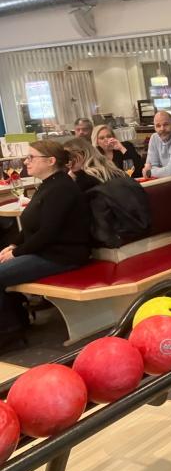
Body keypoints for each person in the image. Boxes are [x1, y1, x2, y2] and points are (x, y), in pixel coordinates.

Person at [0, 141, 90, 346]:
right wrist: (13, 246)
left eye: (31, 157)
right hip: (47, 251)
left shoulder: (62, 189)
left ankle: (8, 332)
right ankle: (16, 321)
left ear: (51, 161)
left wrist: (16, 253)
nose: (26, 162)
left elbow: (47, 233)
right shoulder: (49, 185)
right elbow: (31, 226)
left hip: (62, 256)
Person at [64, 138, 150, 248]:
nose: (67, 163)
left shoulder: (84, 178)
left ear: (80, 155)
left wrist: (70, 178)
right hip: (133, 226)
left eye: (68, 158)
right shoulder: (113, 170)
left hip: (109, 234)